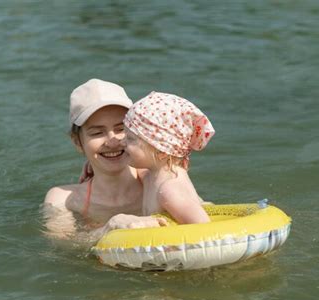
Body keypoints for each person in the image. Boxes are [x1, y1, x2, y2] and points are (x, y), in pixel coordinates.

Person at [43, 79, 167, 242]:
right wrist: (109, 228)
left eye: (121, 129)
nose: (113, 140)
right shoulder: (64, 200)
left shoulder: (157, 180)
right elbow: (62, 246)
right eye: (97, 133)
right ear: (77, 142)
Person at [123, 91, 215, 224]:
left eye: (130, 139)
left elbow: (203, 227)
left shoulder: (169, 190)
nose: (122, 142)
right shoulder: (151, 174)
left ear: (162, 150)